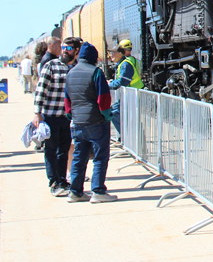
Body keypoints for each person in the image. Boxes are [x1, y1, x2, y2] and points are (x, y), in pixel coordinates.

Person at [64, 42, 116, 203]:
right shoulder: (96, 72)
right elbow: (103, 99)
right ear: (93, 57)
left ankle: (75, 191)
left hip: (77, 122)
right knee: (100, 157)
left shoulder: (70, 73)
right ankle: (98, 191)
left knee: (79, 157)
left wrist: (70, 116)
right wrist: (107, 116)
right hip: (96, 121)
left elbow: (67, 99)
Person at [33, 36, 80, 196]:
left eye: (69, 48)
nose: (65, 51)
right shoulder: (51, 66)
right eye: (63, 48)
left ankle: (62, 180)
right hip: (51, 116)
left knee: (64, 150)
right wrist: (37, 113)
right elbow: (41, 90)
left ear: (76, 51)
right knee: (51, 150)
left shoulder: (76, 68)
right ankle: (54, 182)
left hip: (67, 118)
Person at [107, 39, 142, 137]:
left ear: (119, 53)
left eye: (113, 53)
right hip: (131, 93)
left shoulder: (125, 64)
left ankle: (127, 137)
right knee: (130, 117)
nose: (111, 56)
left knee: (114, 112)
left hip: (131, 94)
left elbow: (123, 82)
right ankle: (131, 138)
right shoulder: (130, 61)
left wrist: (107, 85)